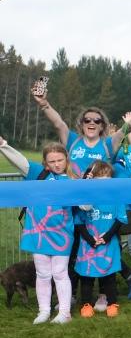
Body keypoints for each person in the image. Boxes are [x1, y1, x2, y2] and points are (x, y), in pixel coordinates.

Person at [0, 136, 75, 324]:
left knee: (59, 273)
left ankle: (64, 312)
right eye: (52, 161)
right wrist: (3, 146)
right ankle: (43, 311)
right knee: (42, 274)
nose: (57, 164)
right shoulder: (38, 173)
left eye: (60, 160)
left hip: (61, 236)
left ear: (66, 159)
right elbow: (21, 162)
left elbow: (86, 205)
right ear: (46, 163)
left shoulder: (74, 180)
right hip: (38, 235)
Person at [75, 161, 126, 318]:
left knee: (109, 276)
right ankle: (86, 305)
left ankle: (112, 304)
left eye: (108, 177)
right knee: (87, 278)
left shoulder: (116, 197)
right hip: (88, 244)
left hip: (108, 243)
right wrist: (90, 239)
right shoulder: (85, 199)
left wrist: (107, 237)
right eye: (100, 177)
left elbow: (120, 219)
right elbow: (79, 222)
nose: (104, 180)